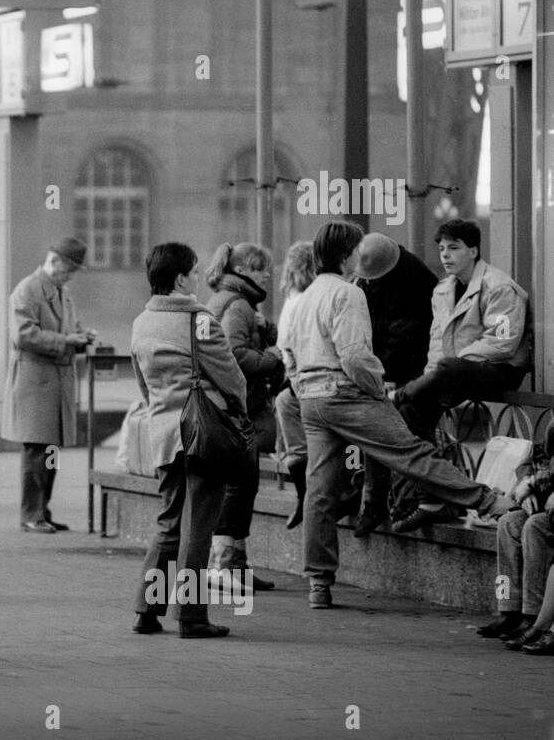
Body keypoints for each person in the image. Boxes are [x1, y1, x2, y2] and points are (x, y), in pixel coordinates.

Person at [282, 220, 518, 609]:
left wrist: (302, 384)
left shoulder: (307, 296)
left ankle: (319, 584)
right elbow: (355, 354)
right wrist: (377, 388)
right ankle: (491, 502)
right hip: (346, 394)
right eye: (357, 250)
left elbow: (288, 352)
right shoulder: (348, 293)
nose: (362, 257)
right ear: (345, 255)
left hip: (311, 400)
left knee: (320, 491)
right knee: (412, 454)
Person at [127, 242, 247, 639]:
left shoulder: (141, 323)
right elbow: (232, 378)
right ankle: (192, 617)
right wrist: (239, 412)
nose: (198, 279)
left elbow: (143, 385)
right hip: (202, 434)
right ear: (180, 279)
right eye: (194, 272)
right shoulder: (200, 321)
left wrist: (163, 410)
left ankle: (147, 610)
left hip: (163, 433)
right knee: (198, 529)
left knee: (169, 523)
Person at [390, 219, 533, 533]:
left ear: (473, 250)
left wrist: (446, 369)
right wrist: (432, 378)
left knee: (431, 381)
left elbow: (502, 343)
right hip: (456, 373)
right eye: (441, 249)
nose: (445, 255)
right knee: (410, 413)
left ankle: (403, 394)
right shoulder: (442, 289)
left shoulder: (499, 285)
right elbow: (437, 343)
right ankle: (432, 499)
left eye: (453, 248)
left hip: (499, 370)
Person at [1, 237, 97, 533]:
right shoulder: (27, 290)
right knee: (36, 451)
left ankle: (42, 509)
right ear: (53, 260)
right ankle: (31, 513)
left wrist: (82, 336)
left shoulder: (60, 292)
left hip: (54, 383)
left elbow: (69, 327)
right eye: (66, 271)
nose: (68, 278)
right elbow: (24, 335)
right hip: (34, 382)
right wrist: (68, 341)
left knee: (50, 452)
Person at [204, 242, 283, 592]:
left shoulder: (233, 301)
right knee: (238, 485)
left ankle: (236, 564)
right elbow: (234, 355)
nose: (266, 273)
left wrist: (265, 332)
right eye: (260, 267)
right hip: (238, 409)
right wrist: (273, 358)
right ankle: (222, 566)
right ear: (243, 270)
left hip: (230, 408)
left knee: (243, 483)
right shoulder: (237, 306)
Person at [351, 233, 439, 536]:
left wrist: (380, 376)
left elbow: (404, 336)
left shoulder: (413, 284)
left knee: (396, 423)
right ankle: (369, 498)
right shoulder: (369, 279)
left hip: (412, 370)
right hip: (389, 369)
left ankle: (416, 497)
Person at [478, 465, 554, 642]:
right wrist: (526, 482)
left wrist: (533, 482)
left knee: (534, 527)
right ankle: (507, 608)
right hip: (542, 496)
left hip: (547, 500)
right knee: (507, 522)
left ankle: (532, 614)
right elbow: (528, 461)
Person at [274, 241, 318, 529]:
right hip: (310, 380)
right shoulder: (312, 297)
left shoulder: (291, 298)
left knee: (296, 445)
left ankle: (304, 495)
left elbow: (283, 343)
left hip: (297, 381)